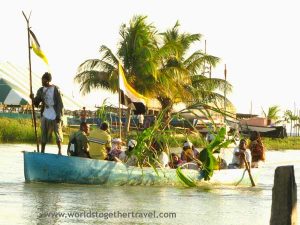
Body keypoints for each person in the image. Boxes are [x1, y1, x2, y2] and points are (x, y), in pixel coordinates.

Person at [30, 72, 64, 154]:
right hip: (45, 114)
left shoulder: (56, 89)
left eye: (44, 80)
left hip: (55, 114)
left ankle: (59, 151)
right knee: (43, 134)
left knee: (57, 134)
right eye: (42, 80)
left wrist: (59, 116)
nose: (42, 82)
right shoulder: (41, 90)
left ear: (48, 81)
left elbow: (60, 104)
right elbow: (36, 103)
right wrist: (32, 98)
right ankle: (42, 151)